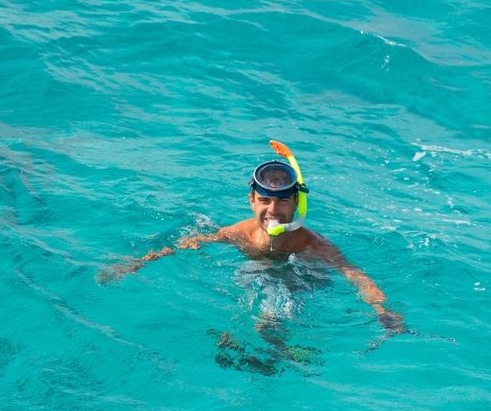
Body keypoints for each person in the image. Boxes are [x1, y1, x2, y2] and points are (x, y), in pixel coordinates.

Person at [100, 143, 405, 355]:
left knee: (279, 310)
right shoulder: (238, 233)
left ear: (297, 203)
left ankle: (276, 345)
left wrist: (381, 308)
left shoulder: (311, 243)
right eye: (265, 201)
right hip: (259, 270)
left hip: (304, 279)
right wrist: (136, 263)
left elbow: (353, 274)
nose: (273, 210)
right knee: (248, 283)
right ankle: (257, 341)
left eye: (283, 200)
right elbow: (188, 244)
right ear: (251, 201)